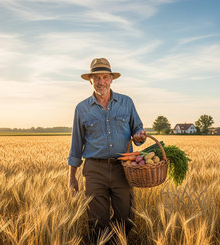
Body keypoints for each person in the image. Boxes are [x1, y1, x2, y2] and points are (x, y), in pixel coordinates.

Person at [68, 58, 146, 243]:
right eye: (96, 78)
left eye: (105, 77)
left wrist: (140, 136)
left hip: (123, 168)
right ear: (90, 81)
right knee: (96, 221)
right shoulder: (82, 108)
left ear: (111, 79)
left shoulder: (126, 102)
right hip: (95, 170)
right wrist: (72, 176)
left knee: (126, 219)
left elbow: (138, 128)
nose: (101, 82)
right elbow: (76, 144)